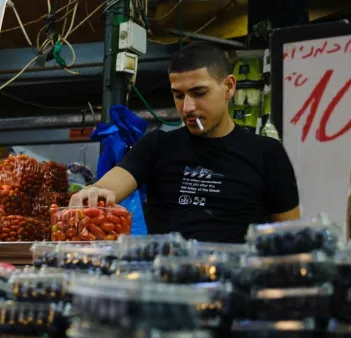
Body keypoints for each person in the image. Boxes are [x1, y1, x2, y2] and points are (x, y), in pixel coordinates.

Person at [70, 41, 300, 243]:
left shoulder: (267, 154)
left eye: (199, 93)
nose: (187, 108)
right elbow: (111, 184)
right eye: (179, 96)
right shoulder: (157, 146)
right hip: (168, 285)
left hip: (236, 286)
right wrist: (93, 192)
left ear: (229, 87)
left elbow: (289, 237)